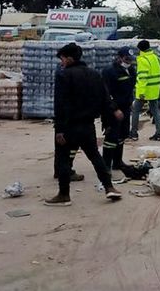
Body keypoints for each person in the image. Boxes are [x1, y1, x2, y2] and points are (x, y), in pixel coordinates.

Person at [45, 43, 123, 206]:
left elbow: (60, 104)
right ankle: (109, 188)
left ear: (70, 58)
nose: (61, 62)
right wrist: (112, 114)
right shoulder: (94, 74)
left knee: (64, 159)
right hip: (88, 125)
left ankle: (64, 195)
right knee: (95, 156)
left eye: (63, 59)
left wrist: (59, 129)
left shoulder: (64, 75)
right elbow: (105, 97)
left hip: (68, 126)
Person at [101, 46, 137, 175]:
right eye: (127, 59)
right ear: (120, 57)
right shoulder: (110, 71)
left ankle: (117, 162)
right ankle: (106, 165)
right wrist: (114, 109)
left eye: (131, 59)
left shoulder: (131, 70)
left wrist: (131, 101)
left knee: (122, 136)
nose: (129, 62)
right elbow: (105, 93)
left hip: (126, 108)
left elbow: (131, 88)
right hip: (112, 110)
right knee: (111, 137)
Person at [130, 40, 160, 142]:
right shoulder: (156, 58)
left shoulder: (142, 60)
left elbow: (142, 78)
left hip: (145, 90)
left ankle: (134, 133)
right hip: (155, 89)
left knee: (135, 110)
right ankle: (159, 133)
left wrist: (140, 93)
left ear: (140, 49)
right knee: (155, 111)